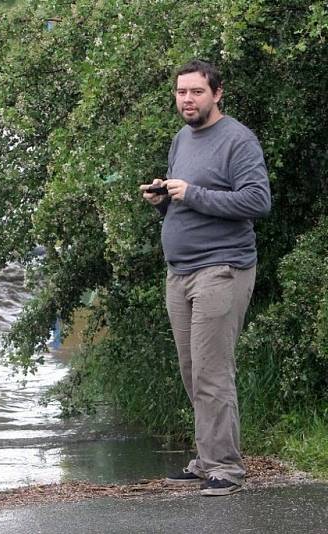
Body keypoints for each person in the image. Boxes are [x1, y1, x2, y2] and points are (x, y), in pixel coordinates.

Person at [140, 59, 271, 496]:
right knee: (191, 369)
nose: (187, 100)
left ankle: (226, 470)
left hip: (224, 267)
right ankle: (206, 459)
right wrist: (164, 199)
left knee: (213, 372)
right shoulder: (183, 138)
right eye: (181, 92)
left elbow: (257, 201)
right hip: (180, 272)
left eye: (196, 92)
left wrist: (192, 194)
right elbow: (187, 199)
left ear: (217, 94)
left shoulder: (238, 140)